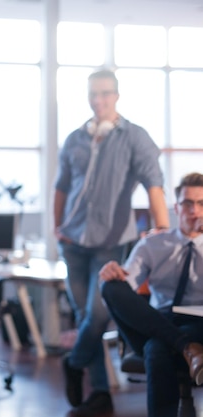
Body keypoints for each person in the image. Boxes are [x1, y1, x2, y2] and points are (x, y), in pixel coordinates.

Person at [54, 68, 170, 417]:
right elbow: (61, 186)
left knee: (98, 315)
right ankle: (101, 393)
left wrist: (162, 224)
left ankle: (73, 363)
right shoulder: (75, 138)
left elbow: (154, 183)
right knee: (83, 314)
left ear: (116, 95)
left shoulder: (134, 137)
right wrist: (56, 226)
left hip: (110, 242)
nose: (97, 100)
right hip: (72, 240)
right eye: (92, 94)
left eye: (104, 93)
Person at [100, 172, 203, 417]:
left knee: (156, 349)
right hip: (159, 320)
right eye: (188, 203)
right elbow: (125, 283)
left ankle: (186, 345)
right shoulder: (152, 244)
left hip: (199, 323)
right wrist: (111, 272)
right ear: (176, 208)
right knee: (109, 286)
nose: (195, 211)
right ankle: (189, 348)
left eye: (202, 203)